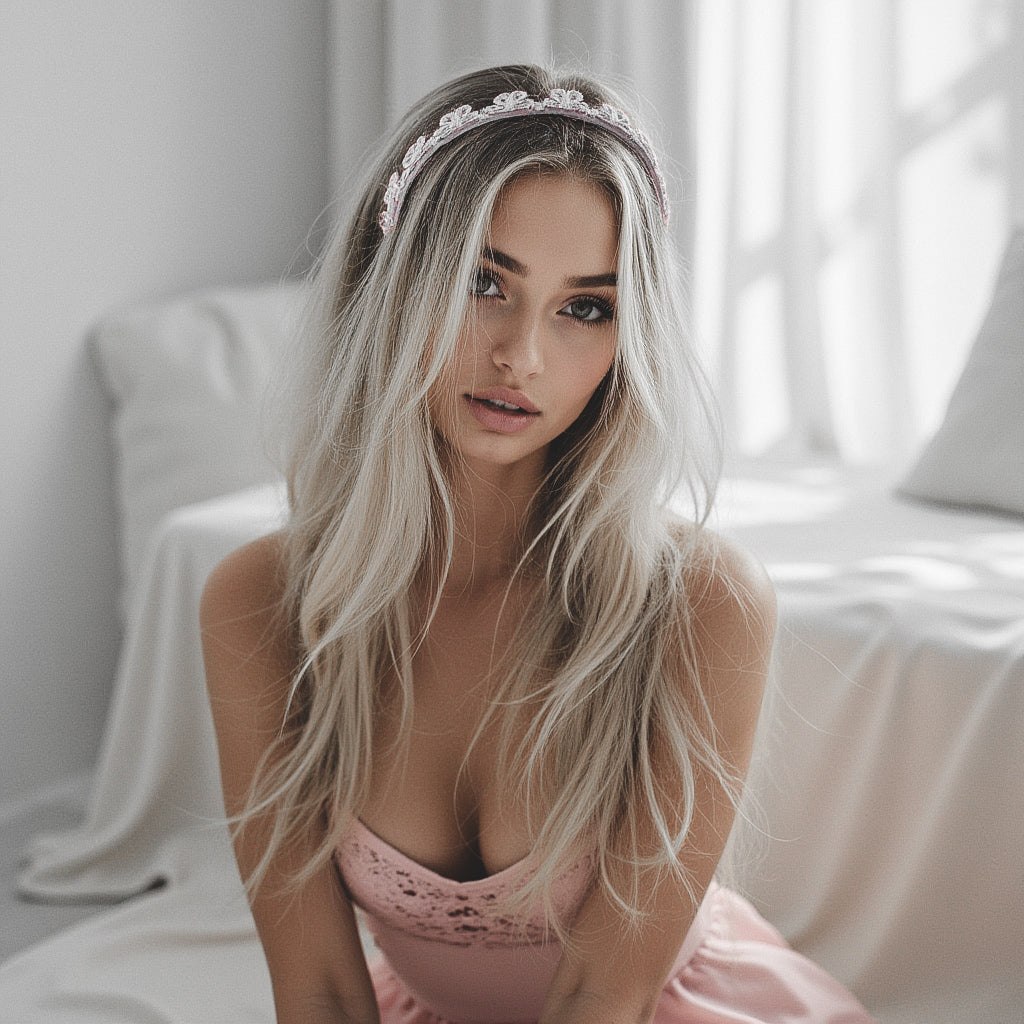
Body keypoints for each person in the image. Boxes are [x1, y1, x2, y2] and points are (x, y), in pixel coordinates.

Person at [200, 64, 875, 1024]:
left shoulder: (701, 601)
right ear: (396, 283)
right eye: (485, 282)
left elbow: (608, 991)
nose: (522, 355)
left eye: (585, 307)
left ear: (628, 333)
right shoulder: (260, 600)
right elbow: (317, 989)